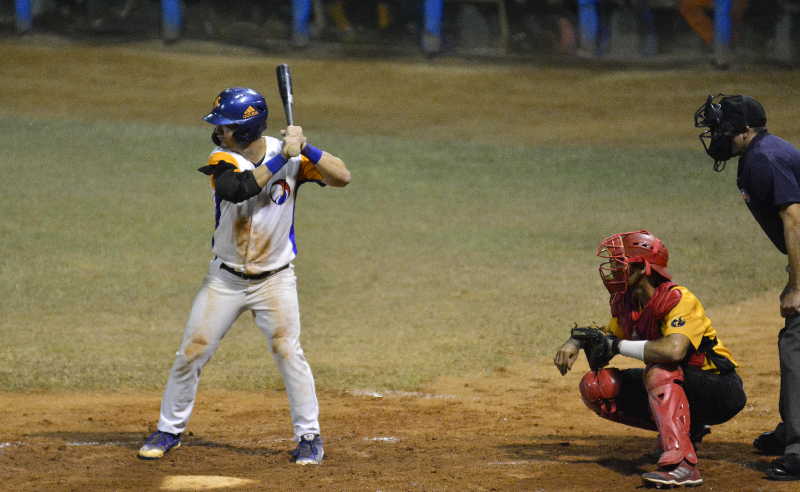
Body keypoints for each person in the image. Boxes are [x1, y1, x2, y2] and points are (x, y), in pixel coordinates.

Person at [137, 87, 351, 465]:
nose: (220, 132)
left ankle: (309, 436)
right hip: (225, 281)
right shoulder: (222, 158)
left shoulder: (293, 157)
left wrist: (307, 148)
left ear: (249, 129)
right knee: (191, 352)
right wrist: (283, 158)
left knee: (289, 353)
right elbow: (238, 190)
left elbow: (342, 177)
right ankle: (169, 429)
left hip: (276, 281)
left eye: (227, 127)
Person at [554, 230, 746, 488]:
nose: (613, 269)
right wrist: (576, 340)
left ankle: (683, 465)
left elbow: (673, 351)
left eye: (620, 264)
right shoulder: (628, 304)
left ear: (643, 268)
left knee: (660, 370)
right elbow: (606, 334)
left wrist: (618, 346)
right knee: (597, 386)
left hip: (720, 389)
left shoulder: (678, 299)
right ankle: (686, 433)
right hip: (682, 388)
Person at [694, 93, 800, 481]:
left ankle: (798, 446)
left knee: (796, 344)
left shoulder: (766, 158)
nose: (713, 135)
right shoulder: (760, 154)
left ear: (743, 130)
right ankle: (792, 430)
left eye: (718, 127)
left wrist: (796, 286)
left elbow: (794, 218)